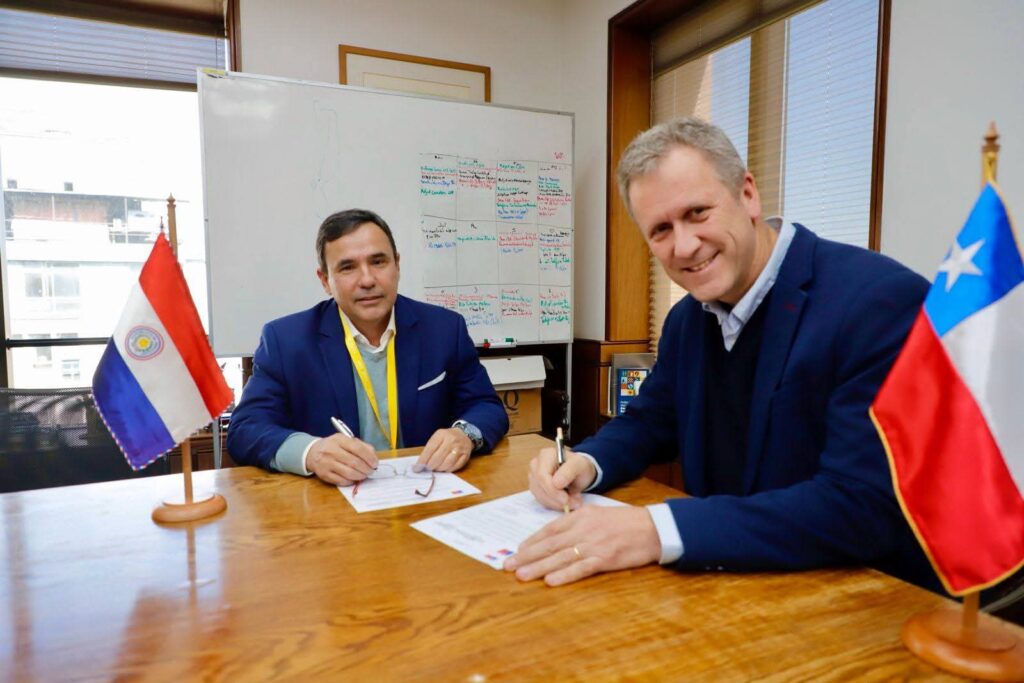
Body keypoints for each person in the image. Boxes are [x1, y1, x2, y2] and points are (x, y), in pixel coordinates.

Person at [505, 117, 939, 591]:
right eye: (661, 230)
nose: (685, 245)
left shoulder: (880, 301)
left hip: (866, 598)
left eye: (697, 213)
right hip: (728, 588)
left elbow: (860, 505)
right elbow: (650, 422)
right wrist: (585, 464)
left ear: (748, 194)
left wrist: (656, 530)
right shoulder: (686, 319)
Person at [227, 209, 509, 485]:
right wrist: (311, 452)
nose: (367, 280)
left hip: (427, 491)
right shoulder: (287, 340)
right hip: (334, 502)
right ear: (325, 281)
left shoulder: (444, 329)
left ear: (397, 265)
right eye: (347, 267)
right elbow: (245, 429)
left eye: (378, 262)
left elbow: (486, 406)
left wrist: (464, 435)